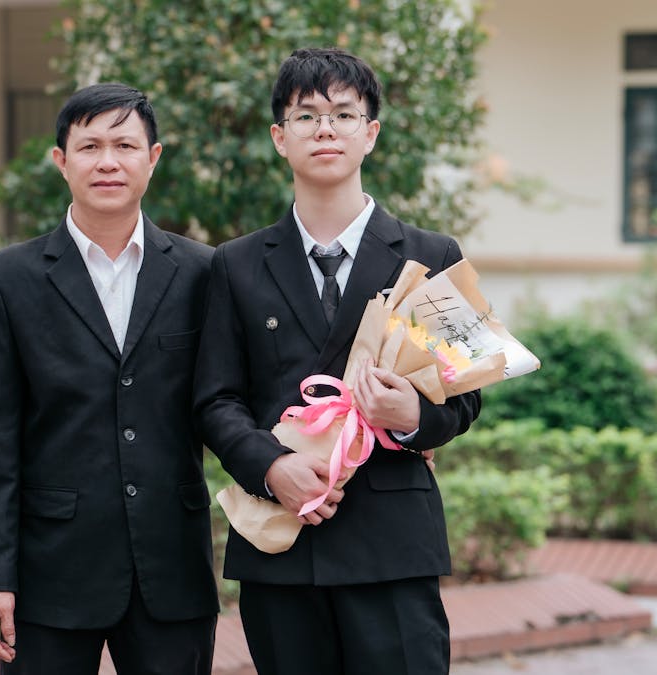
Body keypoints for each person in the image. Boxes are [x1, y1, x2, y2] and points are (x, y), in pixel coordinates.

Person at [193, 48, 481, 674]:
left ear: (370, 133)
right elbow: (214, 400)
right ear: (279, 137)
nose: (325, 129)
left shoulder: (431, 254)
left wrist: (412, 416)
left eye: (344, 114)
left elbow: (465, 396)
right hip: (282, 541)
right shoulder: (235, 265)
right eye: (306, 116)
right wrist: (272, 467)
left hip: (393, 544)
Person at [0, 83, 218, 675]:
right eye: (90, 146)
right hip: (50, 575)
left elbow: (227, 405)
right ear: (62, 161)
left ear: (153, 160)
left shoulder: (204, 273)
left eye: (126, 145)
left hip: (171, 569)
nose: (108, 161)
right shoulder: (9, 279)